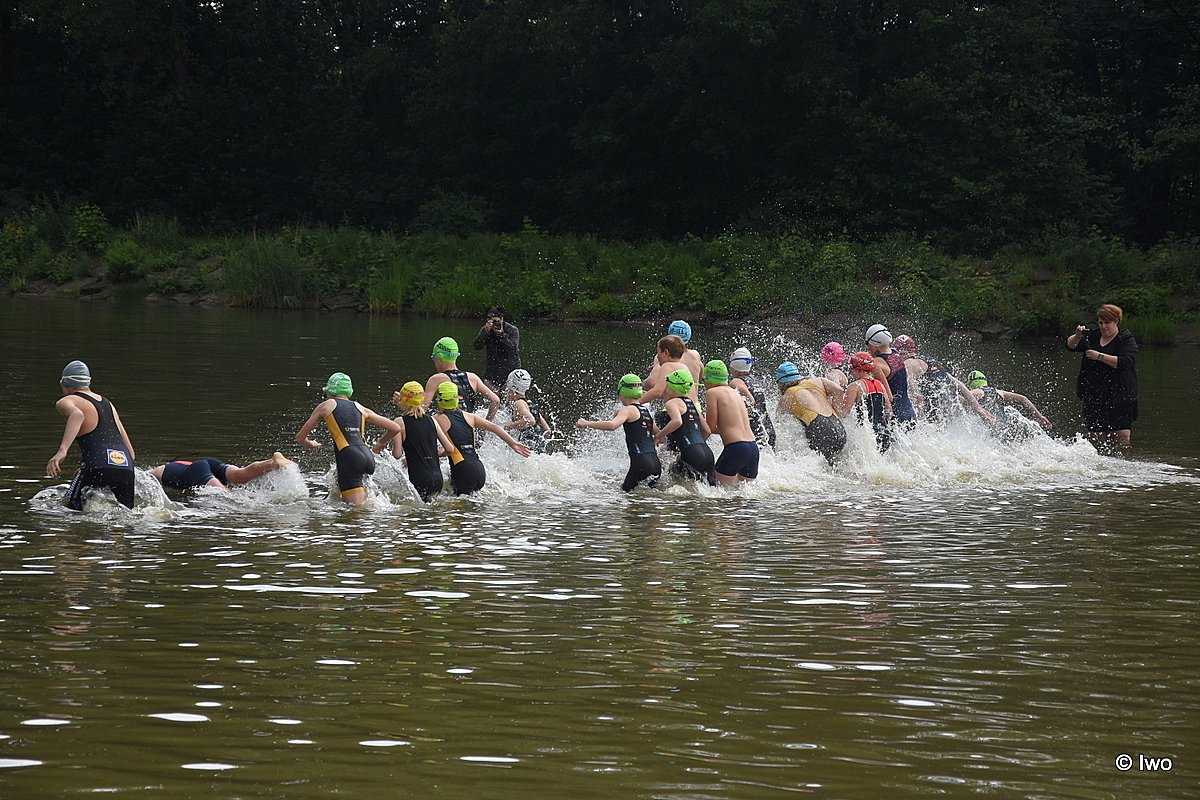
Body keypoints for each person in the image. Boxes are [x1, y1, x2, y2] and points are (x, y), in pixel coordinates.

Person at [295, 372, 401, 505]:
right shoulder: (360, 407)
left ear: (329, 391)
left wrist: (310, 443)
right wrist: (381, 442)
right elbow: (395, 428)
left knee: (355, 512)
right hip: (367, 457)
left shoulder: (326, 405)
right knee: (362, 502)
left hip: (349, 457)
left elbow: (300, 438)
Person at [46, 360, 136, 511]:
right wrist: (90, 467)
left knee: (70, 508)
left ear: (64, 384)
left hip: (97, 463)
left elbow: (77, 415)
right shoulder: (109, 405)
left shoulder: (67, 400)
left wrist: (62, 451)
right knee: (127, 515)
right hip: (126, 467)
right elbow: (131, 454)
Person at [433, 381, 531, 495]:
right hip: (479, 469)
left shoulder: (436, 419)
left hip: (463, 469)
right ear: (457, 398)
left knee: (458, 504)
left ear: (439, 400)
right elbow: (496, 427)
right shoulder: (470, 417)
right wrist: (513, 444)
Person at [1066, 304, 1139, 445]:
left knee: (1121, 437)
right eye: (1100, 323)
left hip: (1120, 395)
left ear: (1116, 321)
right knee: (1096, 437)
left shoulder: (1125, 338)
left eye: (1107, 323)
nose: (1103, 327)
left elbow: (1126, 362)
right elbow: (1070, 346)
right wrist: (1077, 336)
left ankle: (1121, 457)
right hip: (1094, 394)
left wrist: (1099, 356)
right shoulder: (1093, 336)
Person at [575, 374, 661, 491]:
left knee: (625, 494)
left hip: (641, 463)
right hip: (656, 464)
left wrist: (586, 423)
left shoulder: (627, 410)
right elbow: (660, 435)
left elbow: (612, 425)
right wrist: (655, 440)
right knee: (648, 497)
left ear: (623, 393)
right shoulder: (645, 411)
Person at [375, 381, 459, 502]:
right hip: (438, 479)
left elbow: (397, 454)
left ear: (403, 400)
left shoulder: (399, 422)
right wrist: (431, 453)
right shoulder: (432, 420)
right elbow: (450, 449)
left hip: (419, 479)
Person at [775, 361, 847, 464]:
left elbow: (778, 423)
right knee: (836, 462)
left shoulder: (786, 396)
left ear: (781, 382)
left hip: (822, 434)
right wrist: (837, 412)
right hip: (839, 429)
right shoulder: (819, 381)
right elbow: (839, 390)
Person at [653, 369, 716, 485]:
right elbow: (707, 431)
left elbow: (677, 421)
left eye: (667, 387)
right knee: (709, 490)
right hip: (708, 453)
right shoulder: (692, 404)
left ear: (672, 388)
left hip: (692, 453)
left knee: (673, 482)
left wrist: (658, 436)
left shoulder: (672, 403)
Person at [703, 360, 759, 485]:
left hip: (736, 448)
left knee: (717, 491)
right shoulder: (735, 393)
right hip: (753, 448)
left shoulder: (712, 393)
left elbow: (710, 427)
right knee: (744, 494)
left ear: (709, 379)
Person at [423, 336, 499, 420]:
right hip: (470, 426)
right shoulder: (473, 378)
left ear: (439, 356)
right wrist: (486, 424)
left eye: (433, 357)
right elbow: (495, 400)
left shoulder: (436, 379)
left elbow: (423, 409)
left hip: (448, 426)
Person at [964, 371, 1052, 439]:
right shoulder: (1000, 392)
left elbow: (962, 398)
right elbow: (1023, 399)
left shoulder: (976, 392)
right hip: (1005, 428)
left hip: (991, 428)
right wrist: (1040, 417)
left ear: (971, 383)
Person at [150, 453, 293, 492]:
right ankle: (272, 463)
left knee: (227, 495)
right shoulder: (174, 465)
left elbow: (143, 480)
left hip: (196, 471)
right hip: (209, 463)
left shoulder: (151, 474)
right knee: (240, 474)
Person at [838, 351, 893, 452]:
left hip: (867, 435)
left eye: (851, 370)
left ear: (856, 369)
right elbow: (889, 412)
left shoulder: (855, 386)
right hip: (884, 433)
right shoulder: (880, 384)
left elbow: (844, 413)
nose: (851, 373)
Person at [864, 324, 914, 423]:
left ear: (873, 345)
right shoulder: (895, 353)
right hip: (909, 410)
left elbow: (888, 396)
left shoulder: (876, 365)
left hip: (895, 415)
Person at [728, 347, 776, 448]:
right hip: (768, 428)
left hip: (756, 431)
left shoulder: (736, 382)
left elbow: (750, 401)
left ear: (734, 366)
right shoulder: (754, 380)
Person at [502, 368, 554, 454]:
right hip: (543, 449)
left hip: (530, 449)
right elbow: (548, 431)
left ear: (512, 387)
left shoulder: (519, 403)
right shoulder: (531, 404)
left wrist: (508, 426)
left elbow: (530, 420)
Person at [472, 306, 522, 392]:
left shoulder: (512, 330)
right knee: (492, 397)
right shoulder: (486, 330)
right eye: (489, 319)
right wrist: (486, 332)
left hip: (510, 372)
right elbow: (476, 346)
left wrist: (500, 334)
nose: (491, 321)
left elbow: (513, 350)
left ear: (501, 319)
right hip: (491, 373)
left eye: (494, 319)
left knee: (510, 397)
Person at [643, 335, 701, 404]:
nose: (657, 356)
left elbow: (657, 392)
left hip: (679, 407)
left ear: (666, 353)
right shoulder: (684, 366)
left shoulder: (667, 366)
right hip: (693, 406)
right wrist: (647, 394)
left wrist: (637, 401)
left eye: (658, 352)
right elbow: (669, 394)